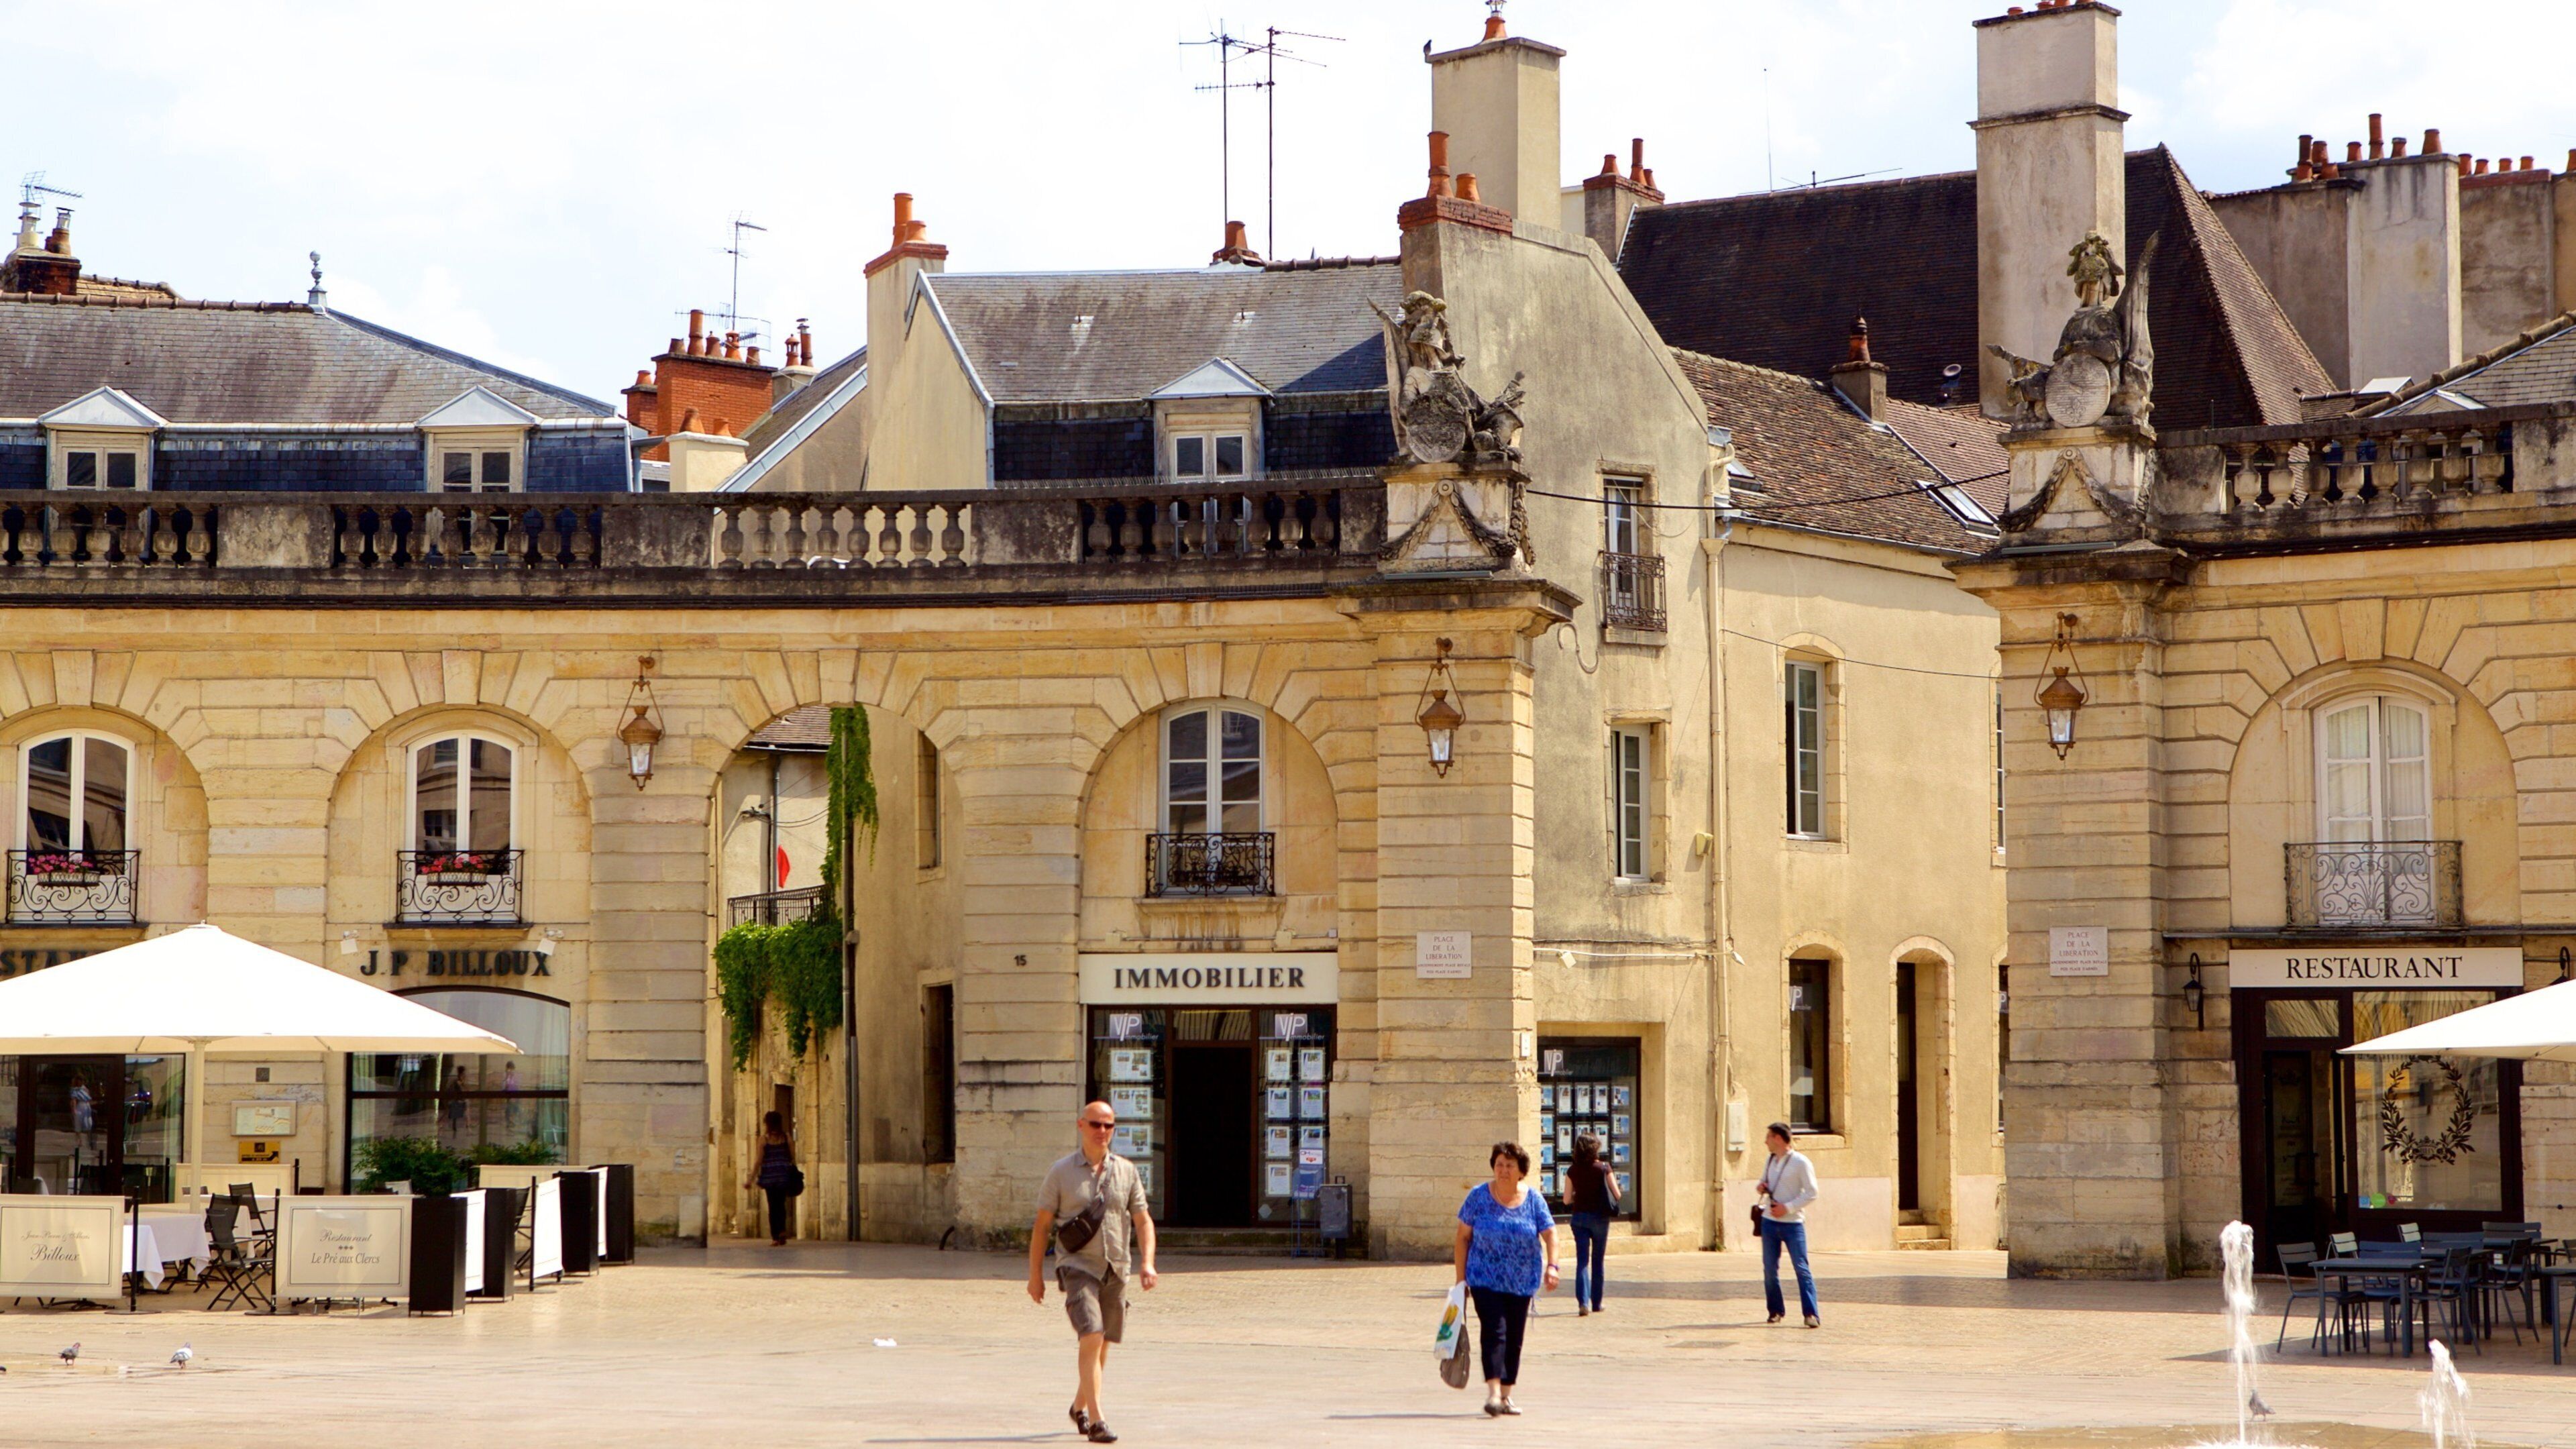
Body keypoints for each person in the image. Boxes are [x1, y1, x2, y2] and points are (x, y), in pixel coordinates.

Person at [1028, 1100, 1157, 1445]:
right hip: (1077, 1265)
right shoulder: (1061, 1172)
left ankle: (1078, 1407)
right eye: (1096, 1125)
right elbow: (1042, 1227)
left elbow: (1143, 1220)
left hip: (1116, 1267)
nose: (1103, 1132)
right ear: (1080, 1126)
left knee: (1103, 1345)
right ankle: (1098, 1421)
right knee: (1092, 1334)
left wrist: (1147, 1263)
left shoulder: (1127, 1171)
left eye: (1109, 1126)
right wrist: (1035, 1276)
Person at [1452, 1140, 1558, 1417]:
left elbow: (1550, 1233)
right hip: (1484, 1279)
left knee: (1515, 1337)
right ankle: (1494, 1393)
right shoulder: (1478, 1196)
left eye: (1510, 1166)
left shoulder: (1534, 1199)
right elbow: (1463, 1239)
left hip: (1522, 1281)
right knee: (1494, 1332)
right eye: (1499, 1164)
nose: (1503, 1170)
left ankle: (1507, 1394)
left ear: (1521, 1171)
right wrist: (1460, 1280)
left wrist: (1553, 1266)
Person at [1756, 1122, 1821, 1328]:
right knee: (1769, 1269)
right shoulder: (1770, 1160)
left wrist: (1789, 1208)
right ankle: (1775, 1310)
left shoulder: (1801, 1162)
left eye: (1769, 1137)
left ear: (1778, 1138)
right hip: (1769, 1221)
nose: (1765, 1141)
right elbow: (1764, 1181)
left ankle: (1811, 1314)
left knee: (1801, 1268)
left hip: (1793, 1224)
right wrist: (1761, 1186)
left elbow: (1812, 1192)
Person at [1562, 1132, 1621, 1316]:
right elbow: (1617, 1195)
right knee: (1598, 1261)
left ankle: (1583, 1303)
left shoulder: (1572, 1170)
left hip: (1579, 1218)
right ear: (1595, 1149)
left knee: (1582, 1262)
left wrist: (1578, 1195)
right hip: (1600, 1219)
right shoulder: (1604, 1168)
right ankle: (1597, 1303)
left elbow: (1565, 1200)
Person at [744, 1110, 797, 1246]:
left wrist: (751, 1179)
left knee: (773, 1206)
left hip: (770, 1177)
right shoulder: (786, 1137)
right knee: (781, 1204)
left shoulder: (764, 1139)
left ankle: (775, 1236)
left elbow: (759, 1161)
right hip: (783, 1176)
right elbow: (792, 1155)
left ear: (767, 1124)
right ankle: (782, 1231)